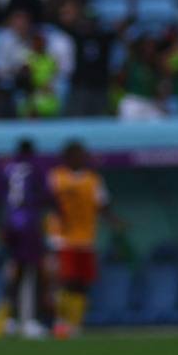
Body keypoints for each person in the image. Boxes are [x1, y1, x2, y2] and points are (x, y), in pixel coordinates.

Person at [46, 140, 115, 338]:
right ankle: (60, 323)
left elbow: (102, 205)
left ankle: (75, 324)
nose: (83, 158)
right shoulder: (55, 177)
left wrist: (115, 222)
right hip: (61, 238)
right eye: (79, 155)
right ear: (68, 157)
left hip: (85, 239)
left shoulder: (93, 179)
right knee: (65, 281)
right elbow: (44, 201)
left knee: (82, 283)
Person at [0, 139, 54, 339]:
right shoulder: (36, 167)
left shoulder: (6, 168)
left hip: (10, 224)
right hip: (29, 224)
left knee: (15, 270)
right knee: (34, 271)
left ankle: (11, 320)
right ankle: (31, 321)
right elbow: (47, 196)